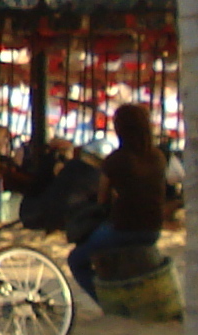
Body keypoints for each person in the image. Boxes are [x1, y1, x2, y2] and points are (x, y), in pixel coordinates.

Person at [69, 102, 168, 292]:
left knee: (76, 259)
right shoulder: (158, 157)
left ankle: (105, 298)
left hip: (124, 229)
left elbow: (102, 200)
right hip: (153, 228)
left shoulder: (116, 159)